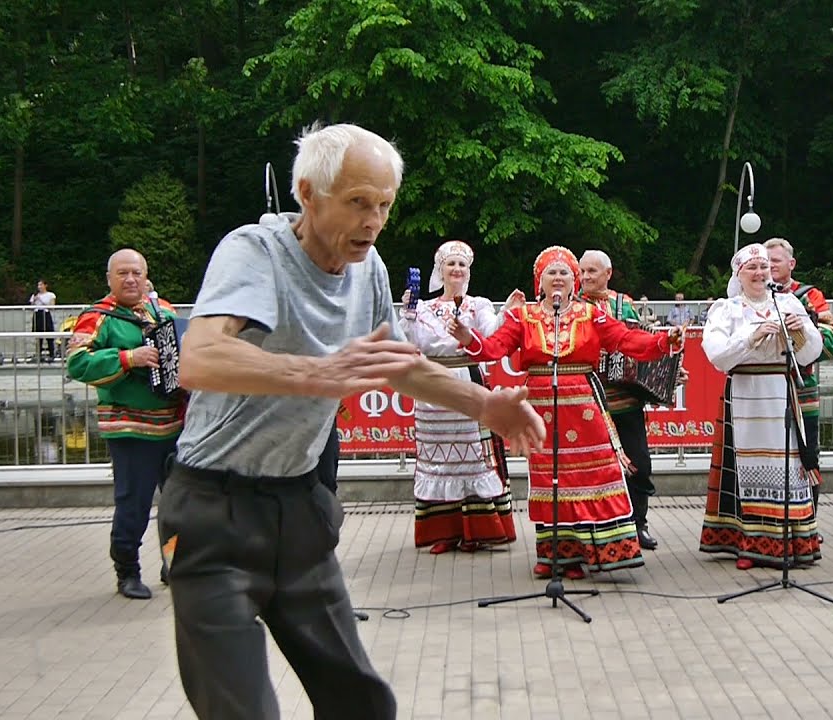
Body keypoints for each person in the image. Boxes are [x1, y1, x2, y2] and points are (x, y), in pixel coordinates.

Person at [161, 122, 544, 720]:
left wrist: (483, 403)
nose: (374, 221)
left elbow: (398, 364)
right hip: (214, 513)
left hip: (297, 508)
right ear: (308, 194)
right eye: (359, 202)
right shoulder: (255, 251)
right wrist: (318, 373)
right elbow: (200, 357)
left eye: (384, 205)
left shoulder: (369, 268)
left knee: (363, 704)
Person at [448, 246, 683, 579]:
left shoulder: (591, 315)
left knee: (592, 474)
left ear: (574, 282)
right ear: (539, 281)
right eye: (551, 273)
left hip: (584, 407)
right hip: (541, 409)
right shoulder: (522, 317)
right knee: (549, 480)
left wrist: (663, 342)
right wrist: (468, 338)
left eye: (564, 273)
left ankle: (599, 551)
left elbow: (626, 340)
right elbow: (494, 348)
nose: (557, 278)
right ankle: (557, 555)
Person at [66, 250, 184, 600]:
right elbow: (77, 363)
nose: (130, 279)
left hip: (176, 425)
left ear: (146, 276)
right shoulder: (97, 317)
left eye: (136, 272)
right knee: (134, 505)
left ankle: (174, 564)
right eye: (122, 273)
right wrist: (128, 358)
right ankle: (127, 571)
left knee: (180, 505)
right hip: (130, 427)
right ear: (109, 278)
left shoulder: (165, 311)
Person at [699, 243, 825, 569]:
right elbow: (716, 354)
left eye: (763, 267)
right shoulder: (726, 309)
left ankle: (791, 543)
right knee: (745, 466)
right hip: (745, 392)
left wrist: (800, 332)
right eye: (751, 268)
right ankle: (750, 543)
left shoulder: (787, 302)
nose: (759, 273)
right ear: (738, 275)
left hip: (780, 389)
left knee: (787, 465)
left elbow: (811, 352)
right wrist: (751, 338)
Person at [400, 240, 517, 554]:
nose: (456, 269)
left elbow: (491, 335)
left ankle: (477, 530)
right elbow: (411, 341)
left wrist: (507, 311)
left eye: (462, 264)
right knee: (438, 457)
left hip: (468, 379)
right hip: (433, 385)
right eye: (450, 264)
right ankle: (444, 532)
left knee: (474, 455)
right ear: (440, 270)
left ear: (469, 271)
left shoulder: (479, 305)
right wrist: (408, 313)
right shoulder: (422, 307)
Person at [579, 249, 660, 550]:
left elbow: (638, 342)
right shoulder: (574, 305)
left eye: (591, 271)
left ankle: (638, 524)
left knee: (639, 463)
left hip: (626, 400)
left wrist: (664, 371)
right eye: (582, 271)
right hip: (588, 401)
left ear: (608, 273)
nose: (585, 277)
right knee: (594, 466)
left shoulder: (623, 303)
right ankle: (597, 528)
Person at [764, 238, 833, 481]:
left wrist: (803, 330)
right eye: (765, 261)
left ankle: (810, 503)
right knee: (766, 449)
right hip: (763, 386)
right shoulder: (753, 294)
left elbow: (829, 339)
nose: (770, 266)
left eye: (775, 260)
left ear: (791, 263)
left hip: (801, 385)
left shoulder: (810, 295)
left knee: (808, 452)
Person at [30, 279, 57, 361]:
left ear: (45, 285)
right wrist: (34, 300)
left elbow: (52, 306)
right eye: (38, 285)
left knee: (49, 334)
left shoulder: (50, 295)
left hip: (46, 313)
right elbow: (31, 306)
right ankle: (39, 354)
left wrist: (41, 300)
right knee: (38, 335)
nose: (39, 287)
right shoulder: (35, 295)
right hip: (37, 314)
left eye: (41, 285)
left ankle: (52, 353)